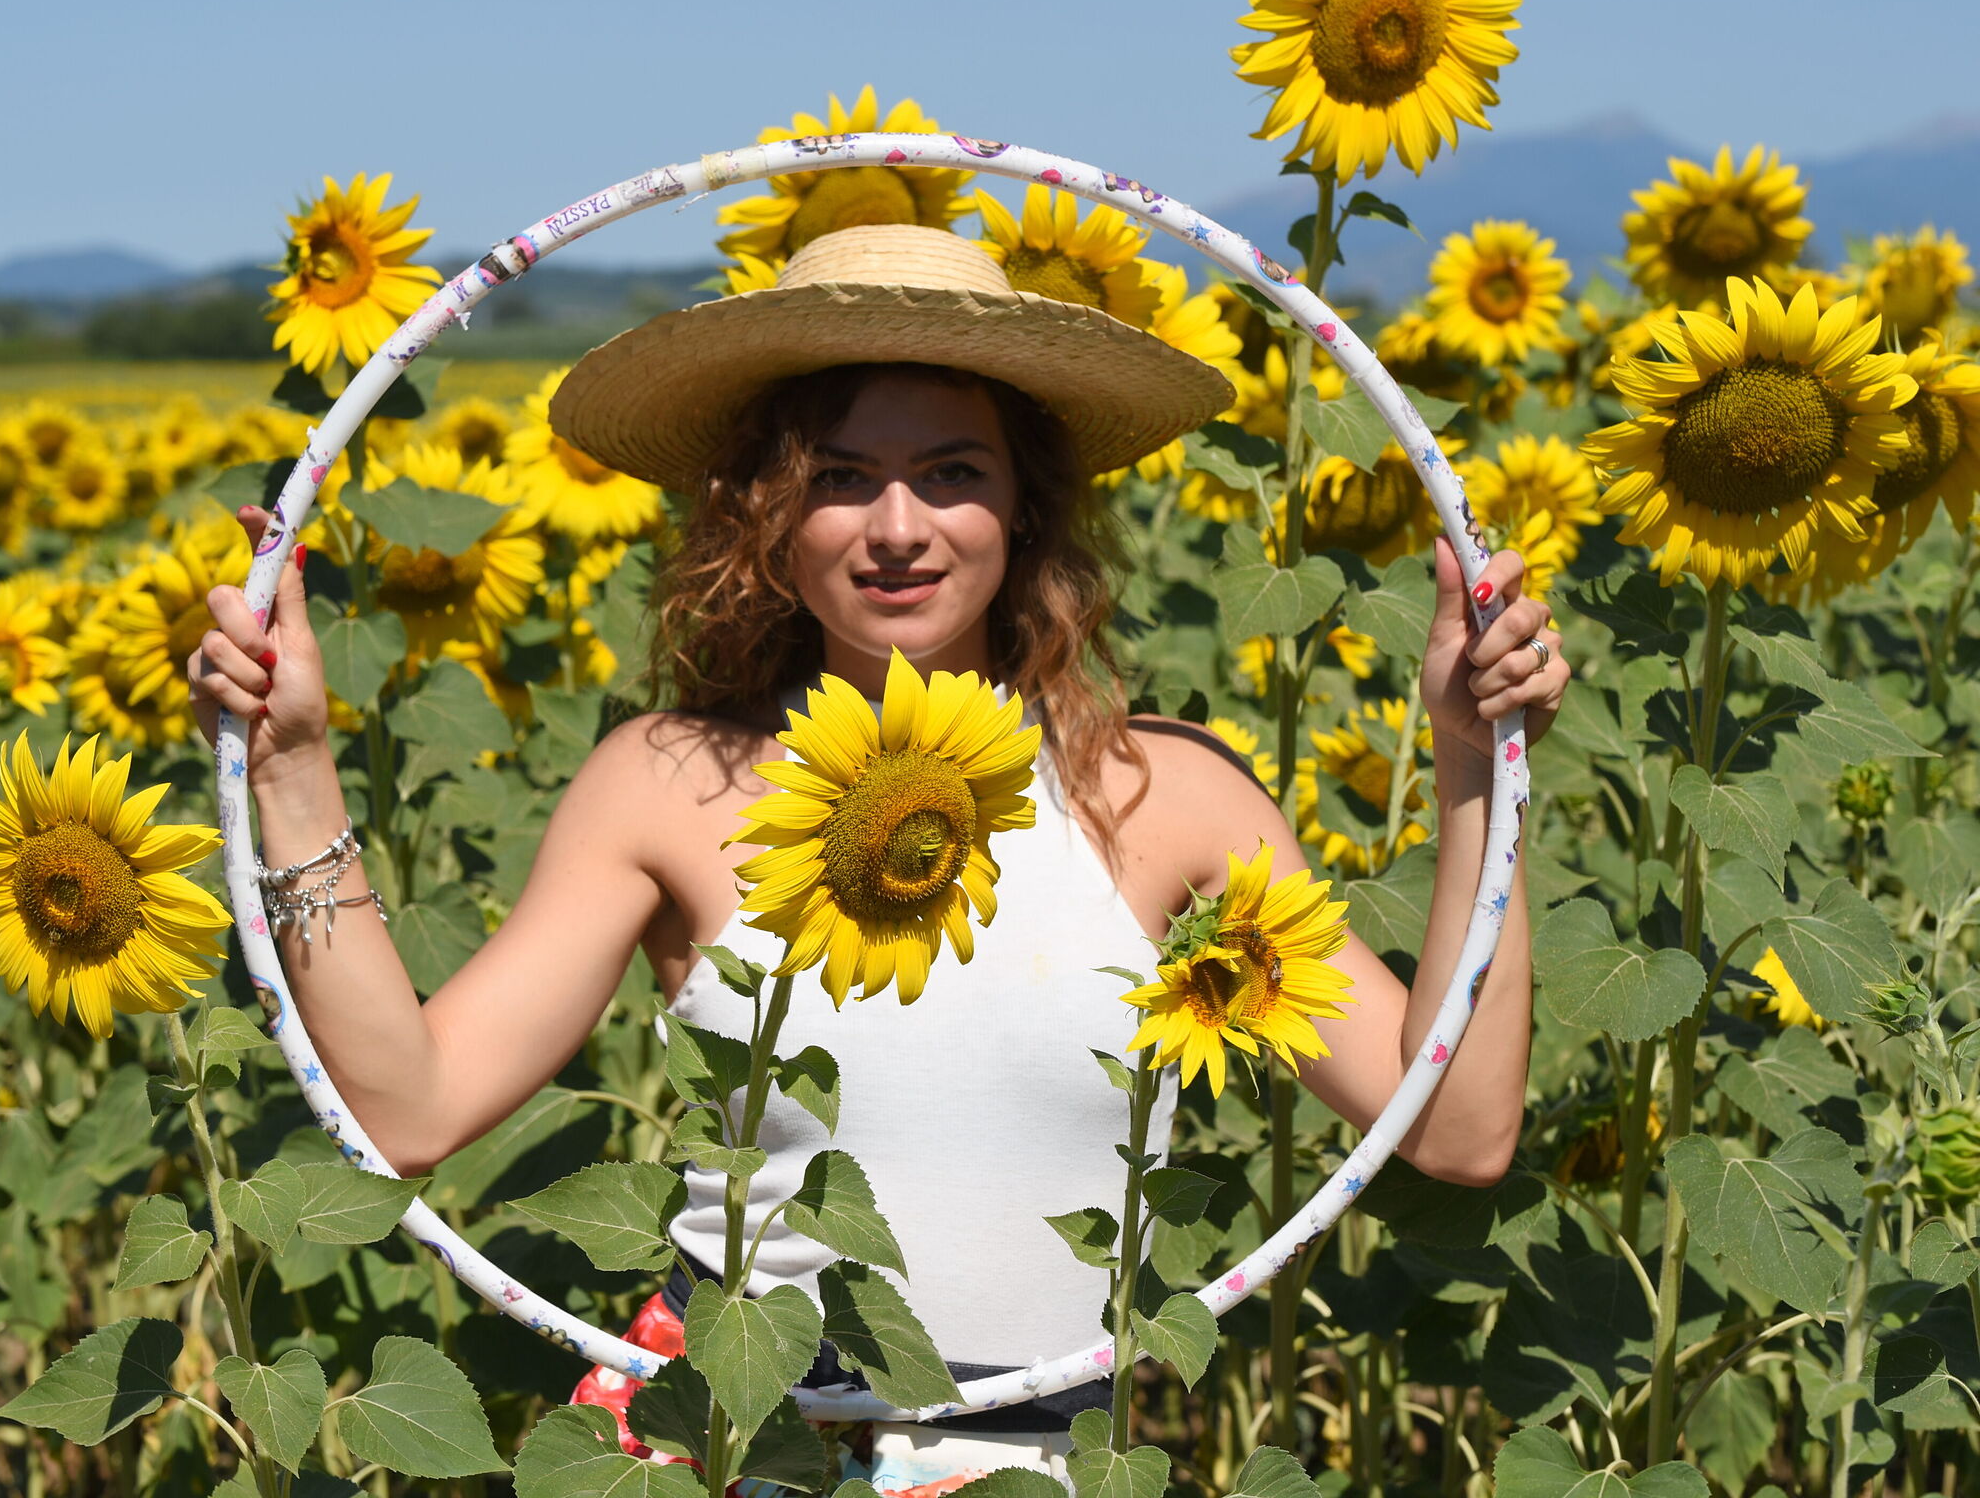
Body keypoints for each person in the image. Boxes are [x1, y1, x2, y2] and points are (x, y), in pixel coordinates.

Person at [187, 224, 1568, 1488]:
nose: (897, 528)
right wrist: (295, 767)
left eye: (951, 475)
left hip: (1036, 1466)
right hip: (752, 1446)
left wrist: (1470, 764)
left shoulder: (1165, 795)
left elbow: (1450, 1125)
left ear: (1023, 508)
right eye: (839, 480)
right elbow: (407, 1108)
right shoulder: (669, 785)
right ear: (767, 519)